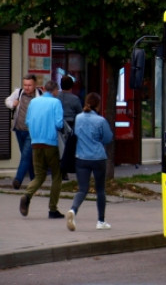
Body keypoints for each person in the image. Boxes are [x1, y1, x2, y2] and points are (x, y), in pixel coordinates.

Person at [66, 92, 114, 231]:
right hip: (98, 158)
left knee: (82, 189)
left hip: (81, 157)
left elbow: (75, 134)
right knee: (100, 190)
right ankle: (101, 221)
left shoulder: (78, 118)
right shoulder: (100, 120)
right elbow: (107, 138)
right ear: (98, 105)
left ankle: (73, 210)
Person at [19, 80, 65, 219]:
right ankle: (52, 209)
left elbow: (27, 121)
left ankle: (27, 195)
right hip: (50, 143)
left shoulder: (34, 102)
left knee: (39, 175)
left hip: (35, 142)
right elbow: (59, 123)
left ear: (44, 89)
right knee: (57, 175)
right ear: (55, 90)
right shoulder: (56, 103)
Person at [5, 74, 43, 190]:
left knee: (26, 155)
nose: (27, 87)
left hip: (32, 131)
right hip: (19, 129)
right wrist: (12, 104)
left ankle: (18, 180)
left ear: (35, 85)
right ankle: (34, 180)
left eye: (29, 85)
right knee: (27, 156)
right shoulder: (19, 92)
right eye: (25, 85)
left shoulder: (40, 96)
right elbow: (8, 100)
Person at [57, 76, 82, 180]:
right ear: (72, 86)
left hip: (58, 125)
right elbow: (80, 113)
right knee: (68, 149)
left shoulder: (56, 97)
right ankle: (65, 170)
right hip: (70, 125)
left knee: (59, 148)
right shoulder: (75, 99)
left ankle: (58, 170)